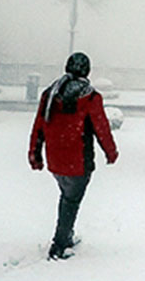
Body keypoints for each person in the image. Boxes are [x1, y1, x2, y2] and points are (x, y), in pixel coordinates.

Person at [28, 51, 118, 260]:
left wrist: (35, 153)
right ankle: (59, 245)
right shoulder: (90, 97)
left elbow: (39, 125)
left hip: (55, 160)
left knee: (67, 197)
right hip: (79, 162)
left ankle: (66, 236)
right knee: (71, 200)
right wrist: (111, 152)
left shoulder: (50, 94)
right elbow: (101, 128)